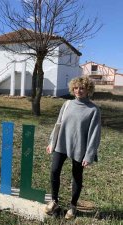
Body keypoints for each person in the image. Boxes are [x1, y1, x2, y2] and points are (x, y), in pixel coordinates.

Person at [44, 76, 101, 219]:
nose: (78, 91)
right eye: (76, 88)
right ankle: (54, 201)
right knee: (54, 170)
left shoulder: (93, 110)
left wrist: (89, 155)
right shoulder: (67, 104)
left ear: (88, 89)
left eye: (82, 88)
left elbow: (94, 134)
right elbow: (58, 124)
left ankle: (73, 206)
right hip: (61, 144)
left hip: (79, 148)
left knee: (76, 176)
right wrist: (52, 142)